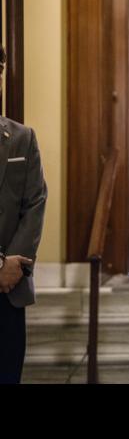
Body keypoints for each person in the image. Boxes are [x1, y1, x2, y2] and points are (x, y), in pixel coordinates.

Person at [0, 45, 48, 384]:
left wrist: (12, 264)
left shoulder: (21, 138)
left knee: (9, 371)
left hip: (9, 286)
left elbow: (35, 201)